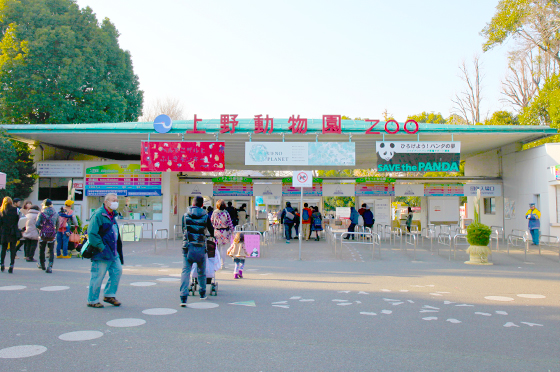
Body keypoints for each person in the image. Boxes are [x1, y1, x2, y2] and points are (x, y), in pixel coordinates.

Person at [86, 193, 124, 308]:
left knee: (117, 271)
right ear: (106, 202)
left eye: (116, 200)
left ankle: (109, 295)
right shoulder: (99, 214)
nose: (115, 202)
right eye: (113, 200)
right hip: (102, 252)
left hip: (113, 252)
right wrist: (101, 247)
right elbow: (92, 233)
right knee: (98, 275)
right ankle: (92, 300)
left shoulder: (112, 215)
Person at [180, 195, 210, 307]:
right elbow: (210, 230)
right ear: (202, 205)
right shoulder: (205, 216)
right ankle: (202, 293)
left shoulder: (185, 216)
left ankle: (183, 297)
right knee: (202, 270)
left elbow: (184, 229)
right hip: (200, 246)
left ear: (192, 204)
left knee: (186, 271)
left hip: (187, 247)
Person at [35, 199, 60, 273]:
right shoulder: (55, 213)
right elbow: (57, 224)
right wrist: (55, 232)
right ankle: (50, 266)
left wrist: (41, 229)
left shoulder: (41, 213)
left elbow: (37, 224)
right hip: (52, 234)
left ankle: (42, 265)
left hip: (43, 235)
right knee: (51, 250)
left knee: (42, 250)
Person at [211, 199, 234, 268]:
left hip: (216, 232)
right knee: (223, 249)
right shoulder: (226, 213)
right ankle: (222, 264)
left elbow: (211, 221)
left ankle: (215, 264)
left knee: (216, 248)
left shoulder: (214, 213)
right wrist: (232, 232)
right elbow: (230, 223)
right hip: (224, 232)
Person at [0, 197, 20, 273]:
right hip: (13, 231)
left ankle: (2, 264)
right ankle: (11, 265)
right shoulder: (16, 210)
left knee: (3, 249)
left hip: (4, 231)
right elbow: (18, 220)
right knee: (12, 248)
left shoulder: (1, 210)